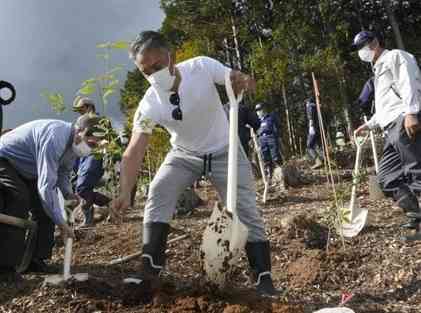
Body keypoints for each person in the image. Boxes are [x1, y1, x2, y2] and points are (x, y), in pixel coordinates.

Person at [112, 30, 279, 296]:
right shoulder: (149, 104)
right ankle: (150, 269)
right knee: (158, 191)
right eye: (146, 71)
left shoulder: (201, 67)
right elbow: (134, 150)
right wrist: (124, 191)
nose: (154, 74)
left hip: (225, 150)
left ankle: (264, 280)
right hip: (184, 154)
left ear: (172, 57)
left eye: (157, 66)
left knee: (246, 209)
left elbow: (240, 80)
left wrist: (242, 81)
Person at [0, 115, 102, 281]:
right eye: (90, 143)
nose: (90, 148)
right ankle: (5, 266)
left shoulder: (73, 147)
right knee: (18, 198)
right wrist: (61, 224)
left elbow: (63, 173)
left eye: (95, 145)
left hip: (28, 169)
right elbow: (46, 187)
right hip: (5, 159)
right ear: (79, 130)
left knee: (44, 210)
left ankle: (35, 259)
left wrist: (68, 193)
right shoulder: (55, 137)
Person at [353, 30, 421, 229]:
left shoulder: (395, 56)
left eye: (361, 46)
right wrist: (368, 125)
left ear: (374, 42)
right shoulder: (377, 71)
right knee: (386, 177)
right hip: (390, 128)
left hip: (403, 121)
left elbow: (410, 83)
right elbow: (385, 106)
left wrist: (411, 112)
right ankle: (415, 214)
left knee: (417, 171)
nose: (360, 52)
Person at [73, 155, 111, 226]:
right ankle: (88, 220)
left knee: (82, 189)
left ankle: (110, 203)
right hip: (83, 164)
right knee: (83, 191)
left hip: (91, 162)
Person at [255, 102, 282, 178]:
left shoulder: (271, 117)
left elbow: (278, 127)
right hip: (262, 140)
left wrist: (278, 137)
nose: (259, 111)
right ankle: (269, 175)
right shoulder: (257, 121)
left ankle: (280, 174)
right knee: (266, 159)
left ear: (264, 109)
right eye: (257, 110)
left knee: (275, 156)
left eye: (260, 109)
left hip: (271, 138)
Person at [305, 97, 323, 169]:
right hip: (319, 128)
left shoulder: (310, 106)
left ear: (308, 102)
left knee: (309, 146)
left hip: (313, 128)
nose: (306, 104)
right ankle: (324, 159)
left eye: (306, 103)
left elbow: (310, 117)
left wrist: (311, 126)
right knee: (317, 145)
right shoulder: (317, 107)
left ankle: (318, 161)